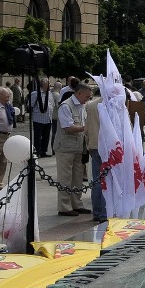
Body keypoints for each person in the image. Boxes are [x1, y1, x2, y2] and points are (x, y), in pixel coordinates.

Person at [54, 83, 92, 216]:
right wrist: (86, 128)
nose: (88, 98)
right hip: (65, 148)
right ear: (79, 93)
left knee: (77, 178)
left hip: (79, 147)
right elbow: (67, 128)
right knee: (65, 178)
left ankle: (77, 204)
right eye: (87, 96)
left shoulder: (83, 106)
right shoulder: (66, 106)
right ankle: (64, 207)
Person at [84, 91, 107, 223]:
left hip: (94, 145)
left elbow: (86, 128)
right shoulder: (115, 105)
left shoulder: (91, 106)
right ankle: (105, 213)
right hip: (109, 148)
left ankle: (97, 212)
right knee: (107, 181)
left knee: (97, 180)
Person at [29, 79, 53, 157]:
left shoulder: (50, 93)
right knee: (37, 136)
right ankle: (37, 152)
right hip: (38, 118)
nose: (49, 85)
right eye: (48, 84)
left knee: (46, 136)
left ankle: (43, 151)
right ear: (43, 85)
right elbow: (30, 104)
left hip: (48, 119)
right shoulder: (35, 93)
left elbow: (51, 104)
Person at [51, 81, 62, 155]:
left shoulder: (51, 94)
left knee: (53, 133)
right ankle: (55, 148)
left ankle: (53, 148)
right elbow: (59, 107)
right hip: (56, 116)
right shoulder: (57, 95)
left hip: (52, 116)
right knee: (56, 133)